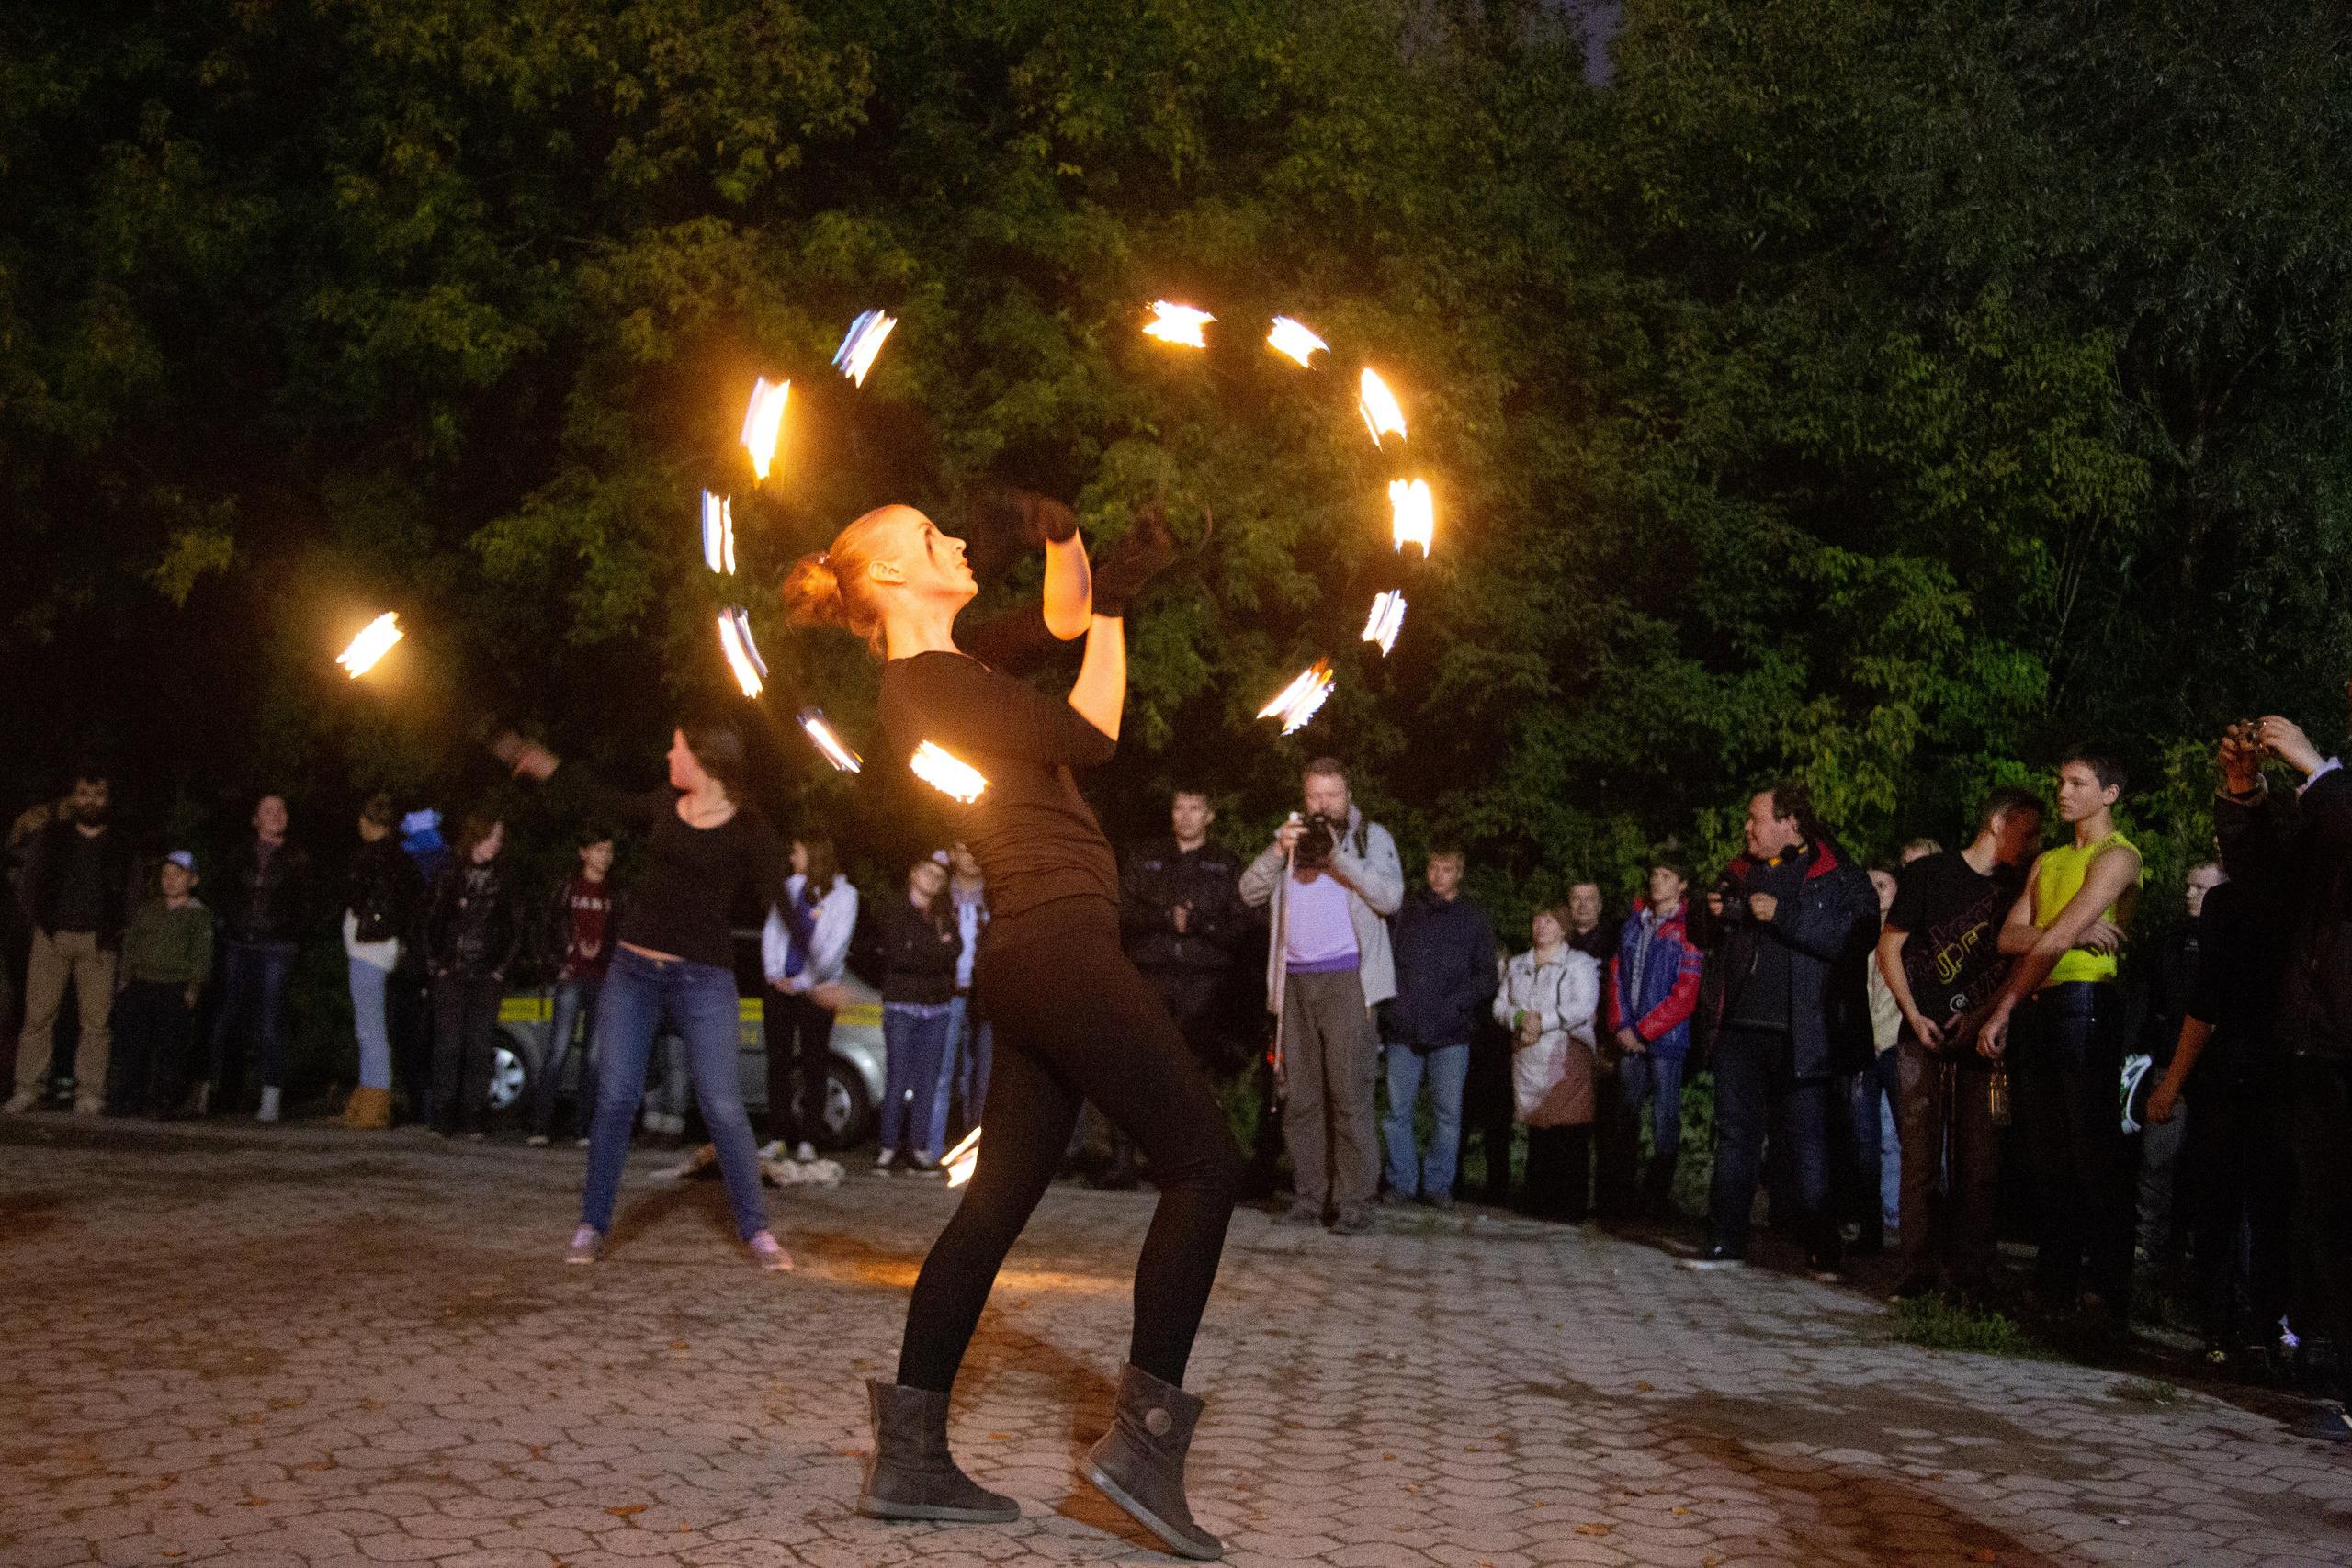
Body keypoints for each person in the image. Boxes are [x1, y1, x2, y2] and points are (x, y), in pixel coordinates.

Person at [785, 493, 1239, 1555]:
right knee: (1205, 1164)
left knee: (993, 1206)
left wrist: (1073, 544)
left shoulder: (954, 663)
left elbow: (1063, 624)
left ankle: (910, 1457)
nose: (952, 539)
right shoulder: (932, 685)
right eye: (929, 537)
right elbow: (1093, 732)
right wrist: (1120, 602)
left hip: (1030, 956)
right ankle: (1142, 1451)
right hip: (1059, 948)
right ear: (892, 578)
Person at [503, 724, 796, 1273]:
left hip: (705, 979)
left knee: (723, 1107)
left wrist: (815, 971)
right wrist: (549, 767)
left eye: (678, 747)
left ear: (703, 760)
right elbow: (603, 798)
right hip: (633, 971)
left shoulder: (750, 825)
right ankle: (592, 1223)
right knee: (616, 1097)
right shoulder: (665, 803)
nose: (668, 753)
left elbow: (779, 894)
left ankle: (757, 1230)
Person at [2207, 710, 2352, 1435]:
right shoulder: (2334, 799)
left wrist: (2316, 769)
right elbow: (2270, 887)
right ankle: (2328, 1361)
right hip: (2319, 1036)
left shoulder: (2337, 791)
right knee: (2322, 1210)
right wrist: (2246, 798)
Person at [1682, 781, 1879, 1280]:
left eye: (1757, 818)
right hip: (1739, 1031)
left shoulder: (1839, 876)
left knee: (1809, 1143)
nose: (1747, 828)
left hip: (1804, 1034)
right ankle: (1724, 1242)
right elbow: (1701, 936)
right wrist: (1704, 913)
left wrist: (1783, 914)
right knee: (1736, 1139)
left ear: (1790, 822)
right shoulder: (1738, 871)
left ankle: (1823, 1250)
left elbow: (1855, 938)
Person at [1980, 747, 2143, 1325]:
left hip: (2084, 1003)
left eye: (2077, 782)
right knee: (2046, 1152)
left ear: (2109, 793)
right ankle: (2055, 1281)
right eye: (2060, 781)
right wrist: (2068, 933)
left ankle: (2105, 1290)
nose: (2064, 792)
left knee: (2090, 1147)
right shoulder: (2047, 861)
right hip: (2044, 1003)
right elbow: (2008, 937)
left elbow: (2048, 936)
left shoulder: (2118, 856)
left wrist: (2003, 1005)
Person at [1875, 786, 2043, 1300]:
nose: (2035, 842)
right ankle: (1919, 1268)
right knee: (1919, 1153)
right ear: (1997, 823)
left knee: (1981, 1158)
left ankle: (1972, 1273)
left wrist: (1984, 1016)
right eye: (2028, 830)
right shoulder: (1930, 874)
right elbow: (1891, 946)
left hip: (1985, 1039)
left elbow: (2021, 960)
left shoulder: (2019, 885)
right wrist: (1913, 1013)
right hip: (1920, 1033)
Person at [1239, 758, 1406, 1235]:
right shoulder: (1290, 841)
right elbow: (1249, 892)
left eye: (1332, 795)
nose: (1323, 805)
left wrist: (1338, 858)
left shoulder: (1372, 839)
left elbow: (1390, 898)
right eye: (1314, 795)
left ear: (1348, 796)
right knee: (1302, 1098)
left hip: (1349, 981)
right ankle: (1309, 1196)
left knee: (1349, 1094)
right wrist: (1276, 850)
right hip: (1293, 982)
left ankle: (1355, 1203)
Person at [2145, 840, 2293, 1369]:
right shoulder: (2300, 896)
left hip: (2238, 1067)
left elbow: (2205, 1002)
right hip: (2280, 1066)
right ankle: (2262, 1325)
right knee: (2262, 1200)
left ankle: (2226, 1324)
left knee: (2226, 1198)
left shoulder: (2229, 904)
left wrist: (2172, 1083)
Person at [6, 768, 136, 1115]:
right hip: (52, 938)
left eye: (97, 794)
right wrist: (41, 924)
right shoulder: (52, 836)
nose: (90, 801)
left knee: (95, 1023)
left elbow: (132, 893)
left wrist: (117, 931)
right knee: (37, 1018)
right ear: (72, 797)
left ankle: (90, 1092)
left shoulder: (121, 843)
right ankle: (27, 1087)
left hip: (98, 943)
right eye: (83, 793)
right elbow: (28, 884)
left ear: (107, 799)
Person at [1379, 846, 1499, 1209]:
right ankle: (1402, 1181)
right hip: (1405, 1028)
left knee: (1448, 1113)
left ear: (1459, 873)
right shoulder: (1407, 912)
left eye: (1447, 869)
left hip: (1451, 1031)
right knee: (1398, 1111)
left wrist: (1457, 1006)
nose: (1438, 876)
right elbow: (1387, 959)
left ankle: (1437, 1185)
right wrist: (1394, 1007)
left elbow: (1486, 976)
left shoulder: (1474, 918)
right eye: (1434, 867)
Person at [2133, 861, 2222, 1265]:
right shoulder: (2169, 940)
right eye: (2189, 886)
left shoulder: (2228, 944)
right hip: (2169, 1061)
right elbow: (2150, 997)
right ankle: (2149, 1246)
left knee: (2204, 1168)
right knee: (2158, 1159)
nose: (2190, 895)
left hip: (2214, 1072)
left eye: (2201, 889)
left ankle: (2194, 1253)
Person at [204, 794, 313, 1122]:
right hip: (237, 942)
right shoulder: (238, 853)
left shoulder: (298, 858)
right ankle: (224, 1092)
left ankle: (270, 1094)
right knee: (230, 1017)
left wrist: (292, 934)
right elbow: (222, 889)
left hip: (276, 945)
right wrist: (226, 923)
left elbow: (307, 905)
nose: (275, 815)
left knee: (270, 1019)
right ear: (255, 819)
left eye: (281, 809)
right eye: (268, 810)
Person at [1606, 861, 1703, 1219]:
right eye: (1654, 876)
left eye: (1666, 876)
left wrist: (1643, 1030)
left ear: (1682, 884)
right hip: (1630, 1035)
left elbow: (1686, 993)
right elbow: (1616, 975)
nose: (1657, 882)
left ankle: (1656, 1197)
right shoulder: (1634, 923)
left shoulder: (1688, 929)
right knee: (1626, 1117)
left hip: (1666, 1039)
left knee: (1665, 1119)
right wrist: (1620, 1025)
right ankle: (1622, 1195)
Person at [1121, 790, 1247, 1067]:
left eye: (1195, 808)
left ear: (1209, 816)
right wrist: (1166, 917)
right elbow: (1123, 912)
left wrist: (1200, 923)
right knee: (1145, 1066)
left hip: (1204, 987)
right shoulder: (1145, 857)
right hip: (1151, 979)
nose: (1186, 816)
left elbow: (1241, 926)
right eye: (1180, 808)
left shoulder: (1226, 864)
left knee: (1194, 1071)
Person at [1497, 904, 1601, 1221]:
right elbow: (1500, 1005)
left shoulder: (1579, 964)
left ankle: (1569, 1205)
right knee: (1539, 1127)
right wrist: (1518, 1017)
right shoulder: (1517, 965)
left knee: (1568, 1128)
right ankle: (1538, 1199)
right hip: (1528, 1055)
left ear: (1564, 928)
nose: (1541, 925)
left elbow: (1582, 1006)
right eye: (1537, 918)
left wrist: (1543, 1021)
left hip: (1567, 1053)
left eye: (1550, 920)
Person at [421, 812, 522, 1139]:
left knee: (479, 1046)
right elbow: (428, 921)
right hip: (452, 971)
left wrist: (499, 970)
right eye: (491, 836)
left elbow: (516, 929)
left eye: (500, 838)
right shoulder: (449, 873)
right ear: (475, 836)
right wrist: (436, 964)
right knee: (449, 1045)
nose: (496, 843)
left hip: (485, 974)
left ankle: (473, 1117)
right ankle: (442, 1116)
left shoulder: (505, 879)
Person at [760, 836, 856, 1163]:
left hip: (817, 991)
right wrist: (774, 973)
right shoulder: (788, 887)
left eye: (797, 850)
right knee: (778, 1063)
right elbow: (773, 931)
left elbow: (834, 948)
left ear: (814, 854)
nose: (791, 856)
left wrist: (801, 982)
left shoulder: (845, 896)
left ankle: (809, 1140)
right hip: (779, 988)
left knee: (815, 1063)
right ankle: (777, 1137)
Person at [530, 827, 618, 1147]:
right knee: (558, 1049)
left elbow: (619, 934)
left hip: (602, 980)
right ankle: (540, 1126)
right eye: (598, 850)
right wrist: (558, 963)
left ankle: (583, 1128)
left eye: (609, 851)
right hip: (571, 977)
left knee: (594, 1057)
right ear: (584, 853)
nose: (605, 857)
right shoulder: (569, 888)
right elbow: (548, 926)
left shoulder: (614, 891)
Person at [876, 853, 962, 1172]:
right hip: (901, 1003)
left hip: (937, 1007)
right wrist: (935, 951)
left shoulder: (942, 915)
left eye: (940, 877)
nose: (933, 880)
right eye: (928, 872)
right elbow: (897, 954)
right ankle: (887, 1148)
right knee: (898, 1077)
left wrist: (924, 949)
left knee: (929, 1080)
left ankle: (919, 1150)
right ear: (913, 873)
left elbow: (956, 950)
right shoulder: (897, 909)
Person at [110, 852, 212, 1116]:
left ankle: (163, 1100)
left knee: (170, 1048)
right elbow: (131, 944)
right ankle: (128, 1098)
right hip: (142, 983)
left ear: (192, 880)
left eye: (178, 875)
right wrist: (124, 979)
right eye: (166, 875)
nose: (170, 881)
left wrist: (193, 988)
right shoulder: (148, 909)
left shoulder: (198, 915)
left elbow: (202, 954)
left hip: (174, 986)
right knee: (133, 1044)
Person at [342, 793, 419, 1131]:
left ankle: (374, 1106)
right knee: (369, 1027)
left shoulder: (377, 857)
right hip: (374, 947)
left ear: (369, 821)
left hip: (370, 949)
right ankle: (366, 1101)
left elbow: (378, 901)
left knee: (370, 1029)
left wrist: (367, 925)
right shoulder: (399, 857)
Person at [929, 840, 992, 1158]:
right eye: (964, 850)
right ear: (952, 855)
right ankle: (930, 1145)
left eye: (976, 849)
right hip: (948, 990)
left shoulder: (995, 893)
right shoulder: (940, 894)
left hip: (986, 993)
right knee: (943, 1071)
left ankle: (976, 1150)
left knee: (984, 1073)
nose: (971, 857)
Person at [1566, 882, 1613, 964]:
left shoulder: (1613, 942)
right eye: (1577, 898)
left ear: (1599, 905)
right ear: (1569, 905)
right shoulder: (1558, 941)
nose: (1583, 904)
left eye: (1589, 899)